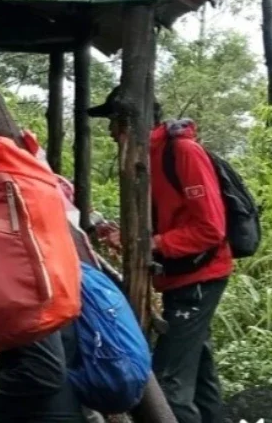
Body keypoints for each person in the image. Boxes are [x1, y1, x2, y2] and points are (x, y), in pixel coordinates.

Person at [89, 86, 230, 423]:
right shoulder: (147, 159)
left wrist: (150, 244)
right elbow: (165, 225)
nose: (110, 133)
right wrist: (130, 238)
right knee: (199, 377)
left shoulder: (181, 152)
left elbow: (211, 228)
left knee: (169, 386)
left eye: (113, 123)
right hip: (179, 278)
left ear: (129, 121)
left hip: (199, 279)